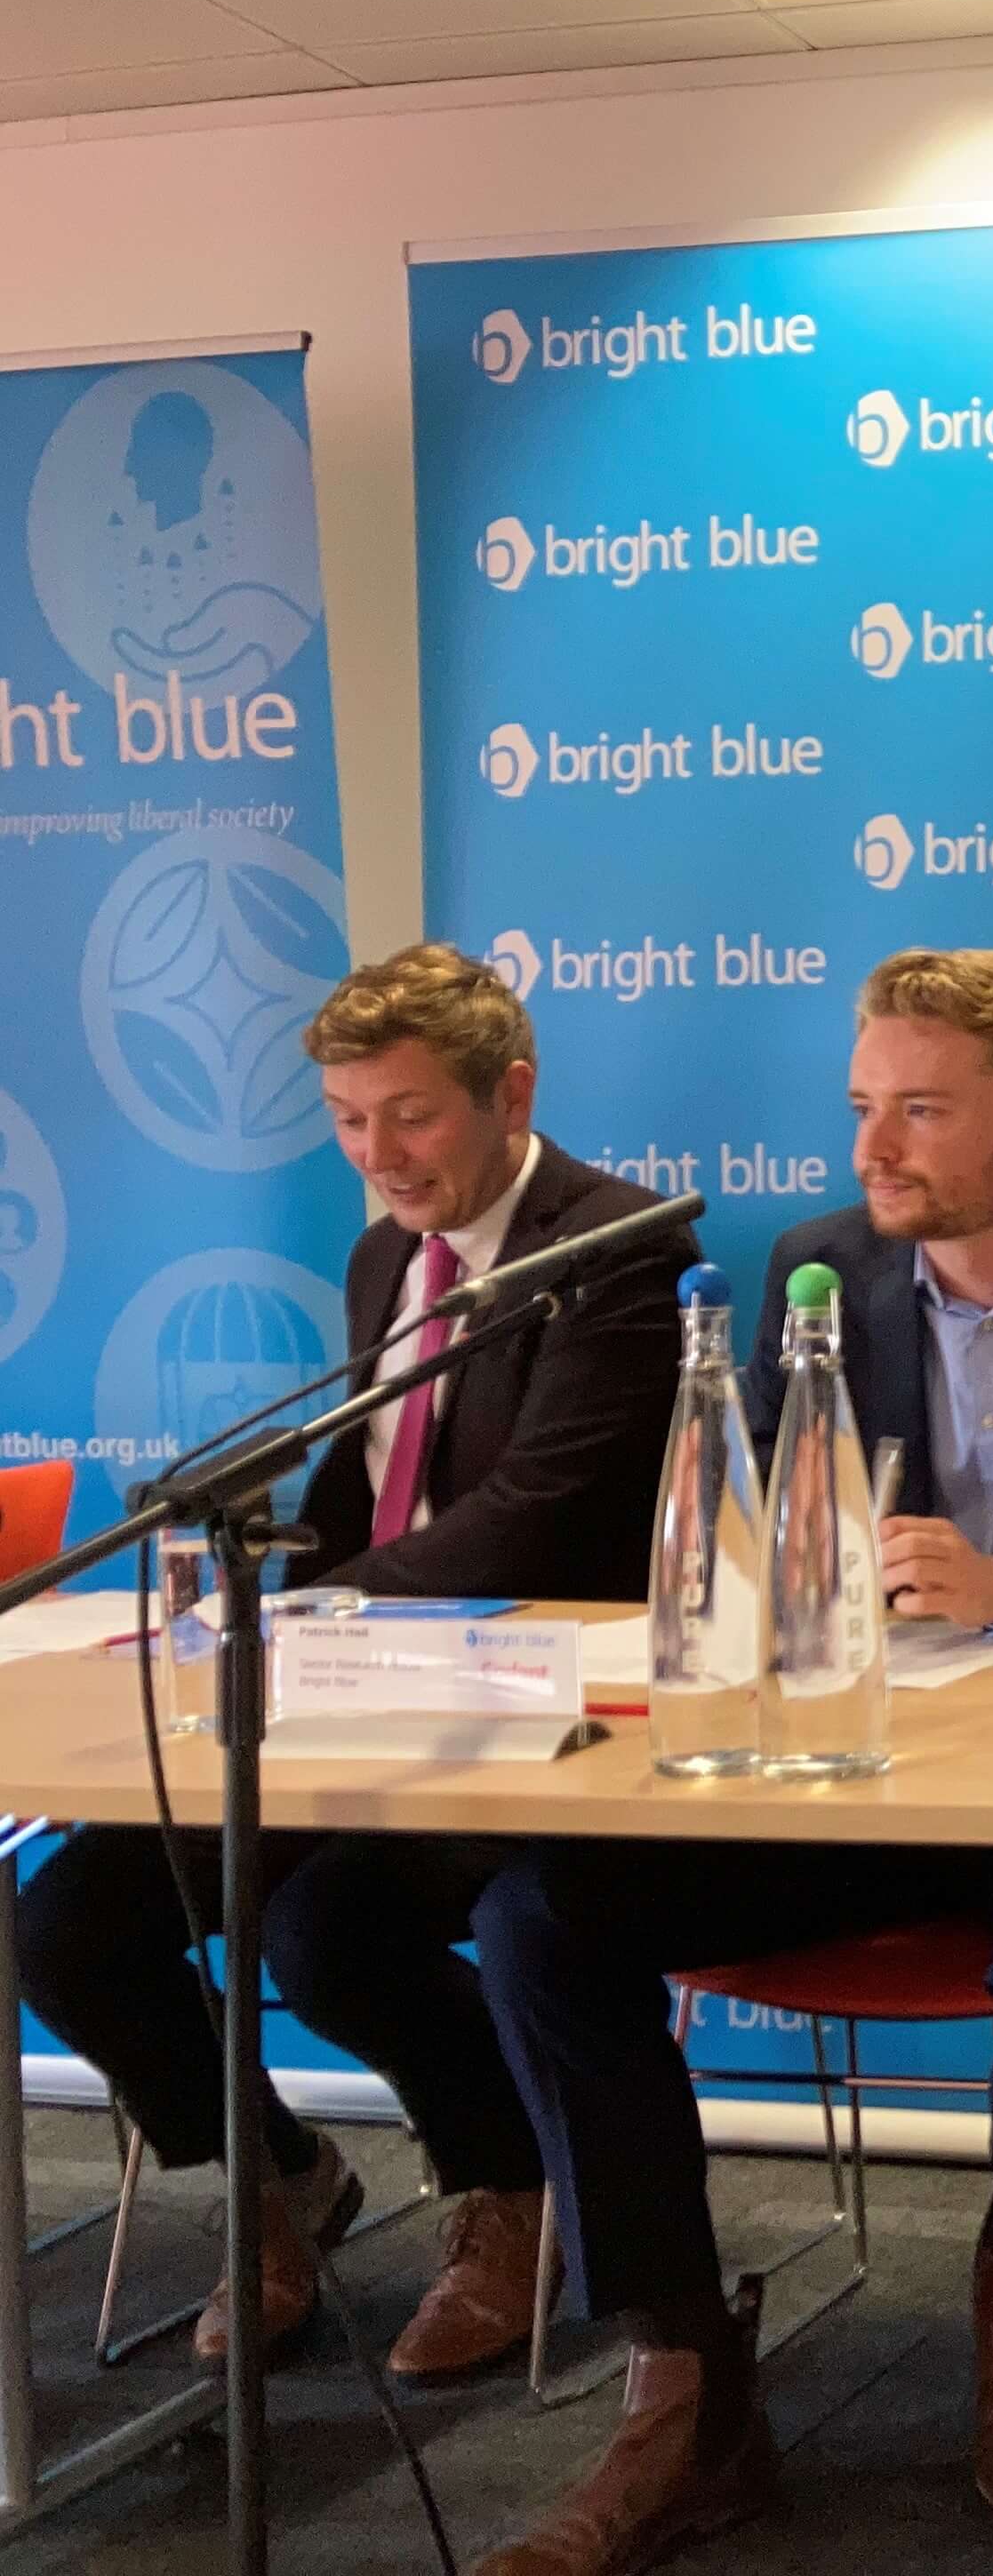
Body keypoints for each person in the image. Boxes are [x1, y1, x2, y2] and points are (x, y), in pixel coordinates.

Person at [468, 949, 993, 2576]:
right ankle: (684, 2371)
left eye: (921, 1110)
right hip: (857, 1775)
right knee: (536, 1913)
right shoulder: (816, 1269)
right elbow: (771, 1540)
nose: (873, 1148)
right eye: (863, 1106)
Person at [19, 943, 693, 2377]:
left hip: (540, 1712)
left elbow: (530, 1518)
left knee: (328, 1930)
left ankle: (513, 2194)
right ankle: (282, 2183)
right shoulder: (388, 1253)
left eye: (412, 1115)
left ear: (512, 1094)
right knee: (72, 1921)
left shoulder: (618, 1250)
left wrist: (310, 1617)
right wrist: (253, 1607)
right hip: (359, 1693)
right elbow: (368, 1478)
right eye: (346, 1119)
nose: (378, 1155)